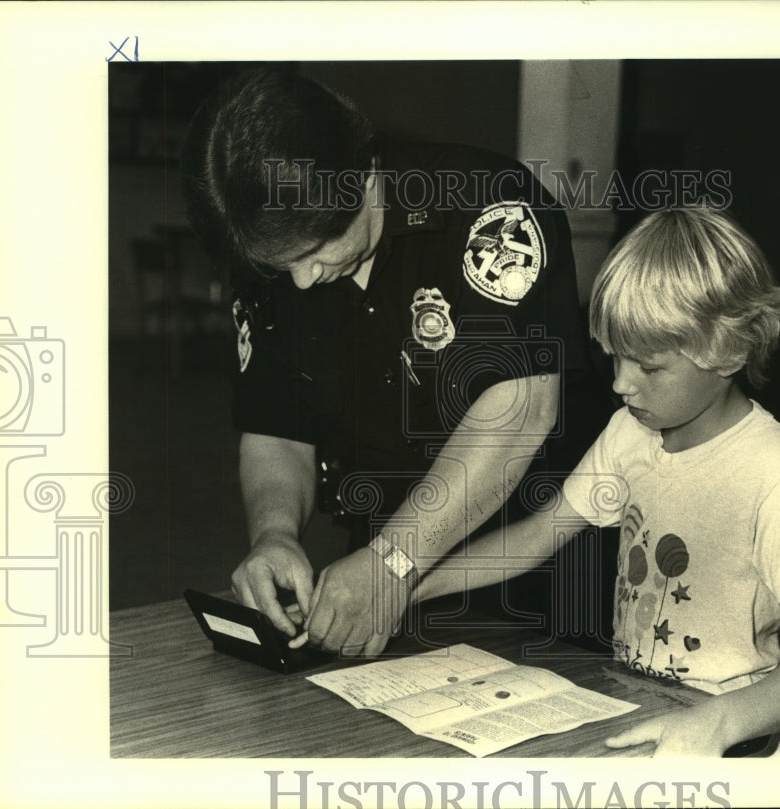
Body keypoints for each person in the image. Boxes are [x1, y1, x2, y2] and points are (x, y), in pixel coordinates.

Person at [179, 65, 608, 658]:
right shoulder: (275, 247)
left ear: (363, 170)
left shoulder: (491, 207)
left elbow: (517, 417)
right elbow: (276, 422)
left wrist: (393, 561)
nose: (301, 280)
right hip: (378, 578)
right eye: (281, 265)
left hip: (537, 570)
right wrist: (275, 534)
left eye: (315, 250)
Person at [411, 207, 780, 756]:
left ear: (729, 351)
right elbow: (538, 535)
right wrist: (410, 585)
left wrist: (714, 725)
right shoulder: (629, 434)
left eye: (648, 366)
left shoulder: (773, 466)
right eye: (614, 357)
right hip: (643, 715)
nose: (620, 383)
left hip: (741, 745)